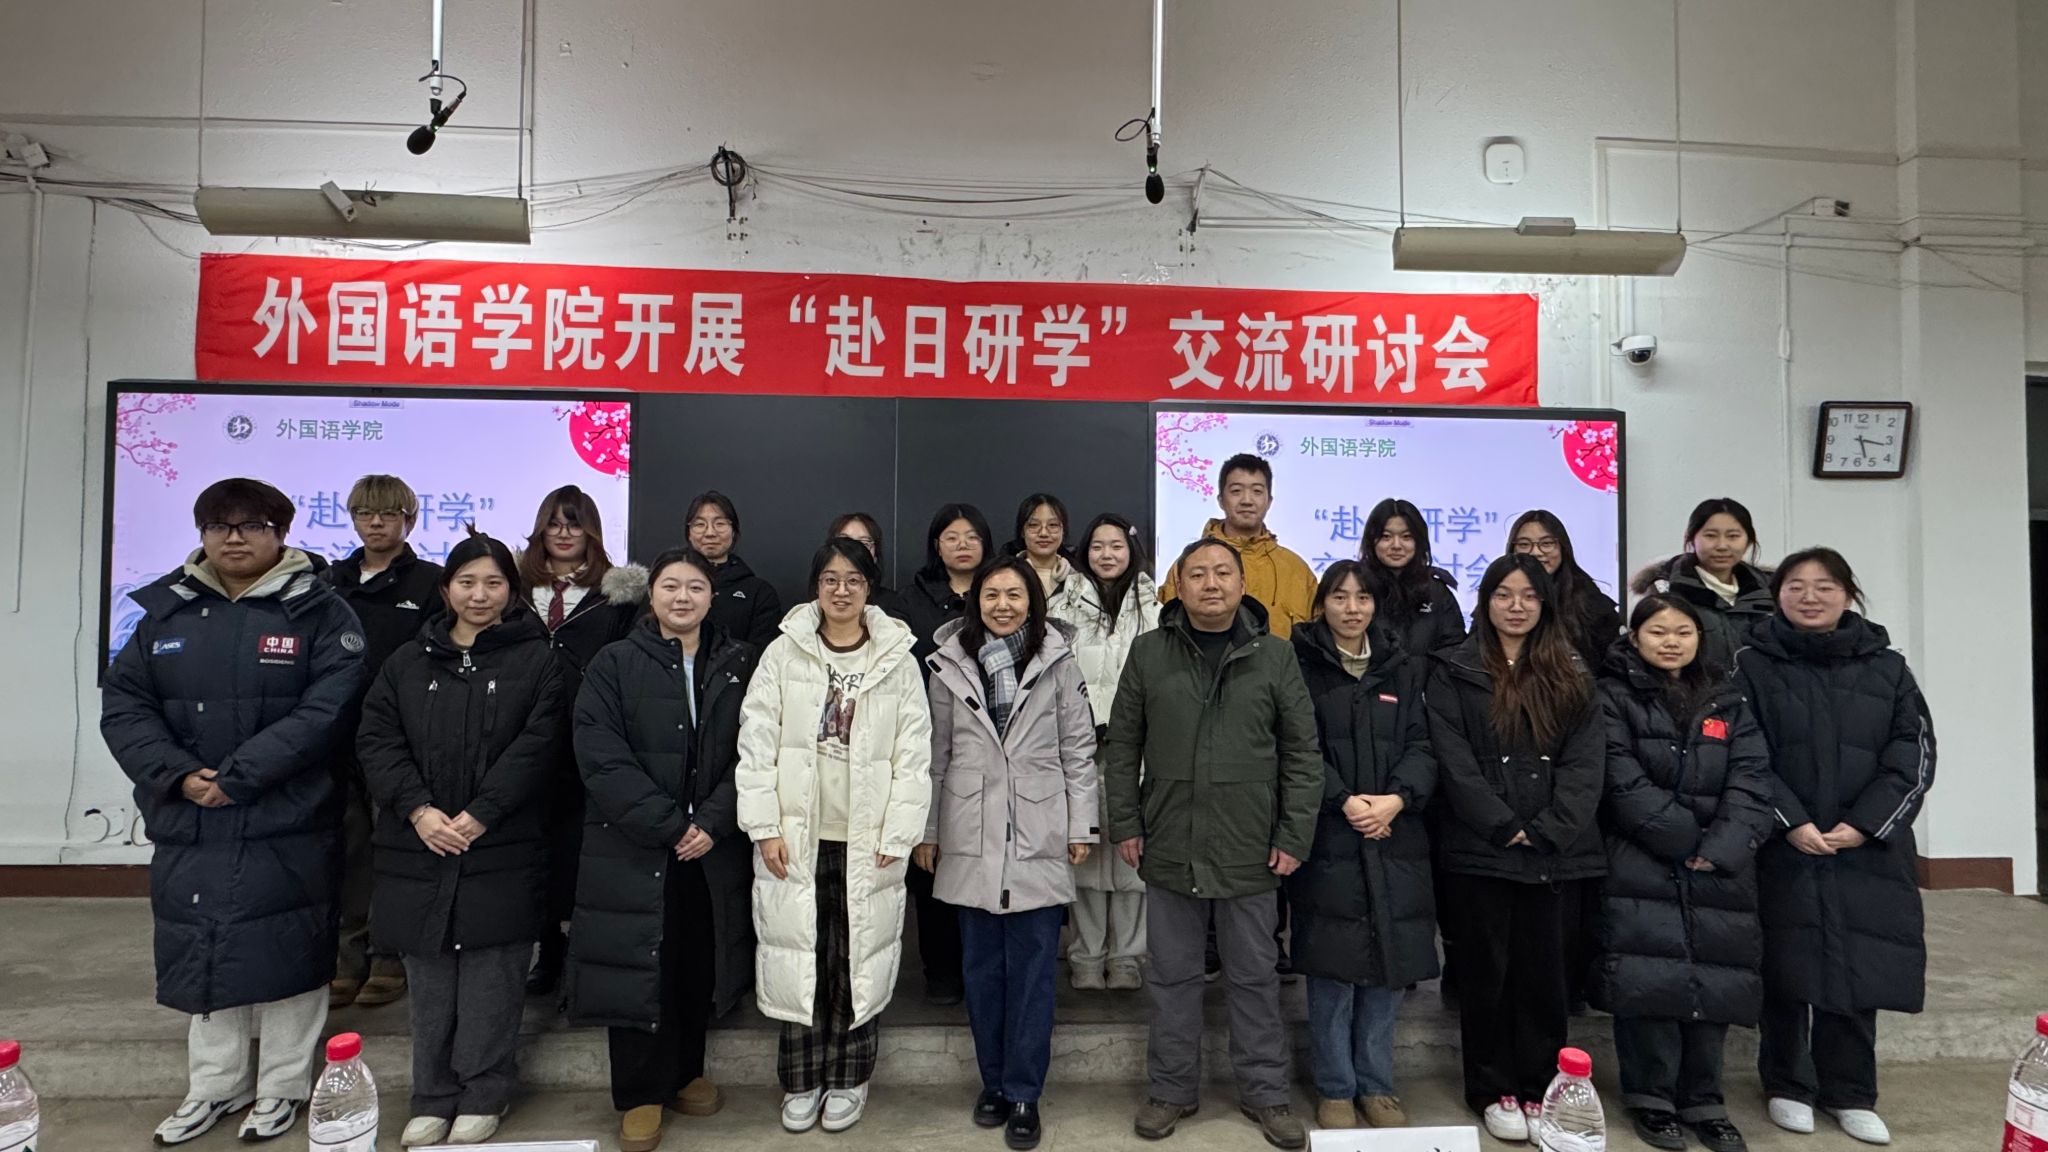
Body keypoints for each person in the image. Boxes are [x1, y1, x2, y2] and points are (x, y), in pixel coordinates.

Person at [100, 478, 366, 1146]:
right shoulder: (167, 611)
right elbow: (125, 705)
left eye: (252, 526)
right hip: (192, 816)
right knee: (204, 945)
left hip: (288, 813)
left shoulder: (320, 611)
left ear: (281, 533)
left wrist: (241, 777)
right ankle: (215, 1086)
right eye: (219, 526)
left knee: (290, 945)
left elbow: (328, 710)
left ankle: (282, 1086)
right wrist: (178, 775)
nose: (235, 539)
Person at [1104, 537, 1322, 1151]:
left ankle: (1266, 1094)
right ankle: (1170, 1090)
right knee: (1172, 977)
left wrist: (1293, 833)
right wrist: (1126, 822)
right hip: (1170, 839)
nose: (1211, 584)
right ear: (1178, 584)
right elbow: (1122, 745)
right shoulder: (1149, 652)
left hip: (1251, 844)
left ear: (1242, 583)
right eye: (1197, 573)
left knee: (1254, 977)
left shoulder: (1275, 655)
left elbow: (1303, 754)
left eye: (1222, 572)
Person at [355, 532, 568, 1148]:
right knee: (429, 982)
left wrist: (482, 813)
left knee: (492, 977)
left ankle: (483, 1092)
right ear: (446, 589)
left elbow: (540, 745)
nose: (480, 594)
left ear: (512, 591)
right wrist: (419, 810)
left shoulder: (537, 660)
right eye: (467, 582)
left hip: (501, 842)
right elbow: (377, 739)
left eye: (493, 583)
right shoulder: (408, 660)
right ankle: (431, 1095)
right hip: (419, 843)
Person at [1735, 548, 1934, 1147]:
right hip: (1783, 842)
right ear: (1777, 595)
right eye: (1795, 586)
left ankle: (1850, 1092)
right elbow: (1745, 752)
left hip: (1865, 847)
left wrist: (1866, 825)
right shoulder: (1750, 662)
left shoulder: (1888, 667)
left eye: (1824, 586)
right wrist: (1790, 821)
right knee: (1786, 963)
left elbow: (1913, 754)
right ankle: (1786, 1084)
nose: (1810, 596)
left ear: (1848, 594)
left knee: (1857, 963)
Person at [736, 538, 934, 1134]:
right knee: (799, 956)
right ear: (815, 587)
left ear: (869, 588)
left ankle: (850, 1075)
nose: (841, 590)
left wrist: (900, 833)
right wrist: (764, 827)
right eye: (830, 579)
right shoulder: (783, 652)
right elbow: (755, 743)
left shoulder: (897, 658)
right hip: (796, 837)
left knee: (856, 959)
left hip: (868, 839)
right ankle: (800, 1078)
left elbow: (914, 755)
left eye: (853, 579)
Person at [569, 548, 760, 1152]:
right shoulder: (614, 662)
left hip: (710, 845)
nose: (683, 597)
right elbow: (600, 755)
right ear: (650, 595)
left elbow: (757, 750)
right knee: (639, 961)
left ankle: (684, 1073)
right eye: (670, 586)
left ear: (712, 596)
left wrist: (712, 822)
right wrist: (671, 825)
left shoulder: (738, 661)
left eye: (695, 587)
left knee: (694, 958)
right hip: (635, 843)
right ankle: (639, 1092)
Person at [917, 556, 1098, 1150]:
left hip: (1039, 829)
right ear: (976, 602)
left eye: (1014, 595)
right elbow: (935, 755)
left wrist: (1082, 826)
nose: (1002, 605)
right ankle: (992, 1083)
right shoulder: (949, 663)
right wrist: (928, 831)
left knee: (1033, 975)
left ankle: (1024, 1091)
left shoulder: (1058, 662)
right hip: (969, 831)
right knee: (981, 972)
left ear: (1032, 602)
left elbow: (1078, 750)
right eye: (991, 594)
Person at [1426, 554, 1603, 1144]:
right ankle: (1491, 1087)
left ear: (1545, 604)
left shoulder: (1572, 670)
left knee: (1545, 976)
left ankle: (1539, 1085)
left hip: (1555, 850)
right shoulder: (1454, 669)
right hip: (1481, 848)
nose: (1516, 606)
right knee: (1486, 974)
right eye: (1504, 594)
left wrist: (1550, 827)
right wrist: (1503, 824)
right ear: (1486, 601)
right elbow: (1453, 759)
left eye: (1529, 596)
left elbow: (1586, 761)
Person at [1593, 594, 1773, 1152]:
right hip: (1640, 855)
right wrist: (1682, 839)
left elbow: (1752, 776)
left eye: (1683, 632)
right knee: (1648, 973)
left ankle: (1704, 1099)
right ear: (1634, 637)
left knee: (1715, 972)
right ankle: (1650, 1096)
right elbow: (1618, 777)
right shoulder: (1611, 694)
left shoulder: (1728, 697)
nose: (1670, 642)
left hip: (1720, 861)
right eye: (1657, 631)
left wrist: (1721, 845)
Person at [1286, 561, 1437, 1133]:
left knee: (1387, 966)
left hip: (1396, 832)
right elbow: (1295, 748)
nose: (1352, 608)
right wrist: (1344, 801)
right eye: (1340, 597)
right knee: (1332, 967)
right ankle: (1335, 1087)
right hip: (1330, 832)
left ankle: (1377, 1084)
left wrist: (1396, 799)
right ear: (1321, 603)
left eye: (1363, 598)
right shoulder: (1300, 664)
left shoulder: (1402, 666)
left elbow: (1424, 745)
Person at [520, 485, 648, 998]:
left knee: (581, 854)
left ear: (591, 530)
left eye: (574, 523)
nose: (563, 533)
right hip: (521, 742)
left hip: (586, 744)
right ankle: (544, 952)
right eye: (554, 523)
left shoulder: (616, 597)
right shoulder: (512, 590)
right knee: (532, 853)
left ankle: (579, 958)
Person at [324, 474, 443, 1011]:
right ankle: (347, 959)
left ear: (409, 521)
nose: (376, 523)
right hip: (336, 738)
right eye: (365, 514)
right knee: (347, 851)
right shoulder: (330, 582)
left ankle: (390, 956)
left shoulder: (432, 583)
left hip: (402, 740)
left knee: (396, 849)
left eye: (389, 514)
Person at [1046, 514, 1158, 992]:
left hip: (1140, 748)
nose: (1107, 554)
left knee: (1133, 854)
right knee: (1085, 850)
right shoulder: (1060, 607)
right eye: (1097, 546)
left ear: (1132, 551)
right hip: (1079, 747)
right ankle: (1087, 955)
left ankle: (1129, 956)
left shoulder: (1155, 607)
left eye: (1116, 545)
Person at [898, 501, 992, 1005]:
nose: (962, 545)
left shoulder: (999, 593)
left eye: (972, 536)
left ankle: (979, 968)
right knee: (930, 851)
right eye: (952, 536)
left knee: (980, 853)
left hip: (986, 741)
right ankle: (940, 970)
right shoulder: (909, 601)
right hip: (925, 736)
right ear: (937, 544)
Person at [1161, 454, 1317, 640]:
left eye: (1257, 491)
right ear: (1220, 500)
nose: (1247, 500)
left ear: (1269, 501)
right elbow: (1167, 632)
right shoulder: (1190, 565)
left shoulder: (1296, 569)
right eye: (1236, 491)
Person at [1632, 498, 1776, 670]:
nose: (1722, 546)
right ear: (1691, 539)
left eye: (1733, 536)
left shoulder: (1771, 590)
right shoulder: (1666, 590)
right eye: (1710, 536)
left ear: (1748, 542)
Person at [1507, 509, 1622, 670]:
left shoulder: (1590, 601)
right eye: (1524, 544)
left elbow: (1614, 663)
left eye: (1546, 543)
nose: (1535, 552)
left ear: (1562, 548)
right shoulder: (1497, 598)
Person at [1357, 497, 1467, 656]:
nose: (1396, 545)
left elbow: (1454, 648)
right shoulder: (1358, 587)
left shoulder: (1437, 592)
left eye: (1406, 537)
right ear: (1371, 541)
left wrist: (1422, 670)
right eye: (1386, 536)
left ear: (1419, 541)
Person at [688, 491, 784, 648]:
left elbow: (763, 653)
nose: (710, 533)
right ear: (689, 533)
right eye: (700, 524)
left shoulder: (759, 593)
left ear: (733, 531)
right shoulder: (669, 585)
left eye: (720, 524)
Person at [828, 511, 911, 622]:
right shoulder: (819, 602)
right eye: (845, 541)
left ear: (875, 557)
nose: (853, 549)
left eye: (864, 543)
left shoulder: (894, 605)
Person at [1005, 493, 1074, 599]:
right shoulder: (1003, 576)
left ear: (1063, 531)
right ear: (1022, 531)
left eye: (1053, 525)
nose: (1043, 533)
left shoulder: (1079, 581)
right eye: (1033, 525)